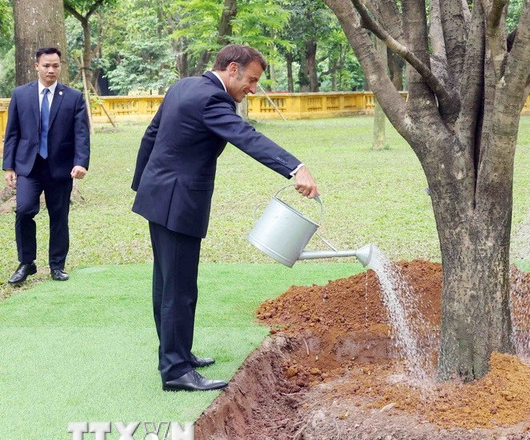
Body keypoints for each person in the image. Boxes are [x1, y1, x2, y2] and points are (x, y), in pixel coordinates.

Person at [132, 45, 319, 391]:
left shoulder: (184, 86)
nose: (252, 88)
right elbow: (246, 137)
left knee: (167, 282)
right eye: (251, 80)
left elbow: (151, 135)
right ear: (232, 69)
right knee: (179, 287)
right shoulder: (212, 100)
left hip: (158, 195)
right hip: (178, 202)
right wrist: (296, 167)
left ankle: (177, 353)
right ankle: (175, 371)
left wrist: (142, 186)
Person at [3, 47, 90, 284]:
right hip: (28, 167)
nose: (51, 70)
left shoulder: (73, 97)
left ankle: (57, 265)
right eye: (46, 65)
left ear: (60, 66)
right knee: (24, 211)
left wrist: (81, 163)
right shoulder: (21, 95)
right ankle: (26, 263)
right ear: (36, 66)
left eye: (55, 66)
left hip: (60, 168)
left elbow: (81, 134)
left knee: (59, 217)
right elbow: (12, 133)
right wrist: (9, 167)